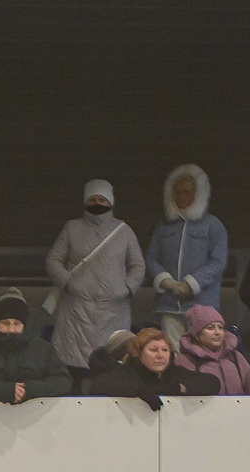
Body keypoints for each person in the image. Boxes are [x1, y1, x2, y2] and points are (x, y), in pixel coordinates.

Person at [44, 179, 146, 372]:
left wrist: (126, 288)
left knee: (111, 364)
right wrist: (69, 283)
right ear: (85, 201)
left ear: (111, 202)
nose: (97, 203)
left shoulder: (124, 231)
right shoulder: (71, 228)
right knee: (73, 365)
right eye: (92, 199)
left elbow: (138, 265)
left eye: (102, 199)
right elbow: (53, 260)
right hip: (77, 309)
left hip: (113, 310)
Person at [147, 164, 228, 347]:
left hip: (202, 305)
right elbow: (152, 258)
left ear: (198, 194)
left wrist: (191, 284)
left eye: (187, 192)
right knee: (173, 351)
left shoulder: (212, 225)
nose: (181, 197)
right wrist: (165, 280)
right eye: (177, 192)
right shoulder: (162, 227)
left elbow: (218, 261)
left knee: (202, 352)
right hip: (169, 305)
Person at [0, 291, 73, 405]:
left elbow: (62, 381)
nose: (11, 329)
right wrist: (2, 391)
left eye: (17, 323)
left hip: (35, 414)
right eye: (5, 323)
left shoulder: (43, 348)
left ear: (24, 325)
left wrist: (28, 390)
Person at [87, 326, 209, 410]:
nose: (160, 355)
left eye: (165, 350)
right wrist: (139, 389)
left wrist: (179, 387)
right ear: (138, 353)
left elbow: (212, 382)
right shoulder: (125, 371)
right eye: (153, 350)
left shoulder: (173, 370)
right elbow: (102, 384)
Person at [172, 303, 250, 396]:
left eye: (220, 327)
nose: (217, 332)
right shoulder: (184, 360)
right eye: (210, 328)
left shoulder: (236, 357)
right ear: (197, 334)